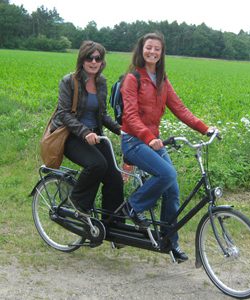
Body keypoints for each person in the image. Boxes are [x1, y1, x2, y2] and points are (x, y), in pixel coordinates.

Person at [120, 32, 214, 262]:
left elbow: (179, 108)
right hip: (133, 140)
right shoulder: (132, 78)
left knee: (172, 189)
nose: (152, 52)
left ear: (162, 54)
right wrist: (148, 136)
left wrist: (205, 128)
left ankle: (169, 242)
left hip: (152, 140)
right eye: (148, 47)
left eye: (157, 49)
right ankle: (132, 207)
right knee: (168, 173)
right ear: (141, 49)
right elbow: (130, 116)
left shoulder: (162, 79)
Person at [50, 40, 123, 226]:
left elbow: (102, 114)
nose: (93, 61)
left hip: (95, 135)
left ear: (102, 61)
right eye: (89, 57)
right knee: (97, 164)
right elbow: (64, 114)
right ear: (82, 59)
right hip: (71, 135)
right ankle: (77, 202)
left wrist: (121, 130)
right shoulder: (69, 81)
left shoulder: (102, 82)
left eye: (97, 58)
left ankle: (112, 225)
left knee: (115, 177)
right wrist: (84, 132)